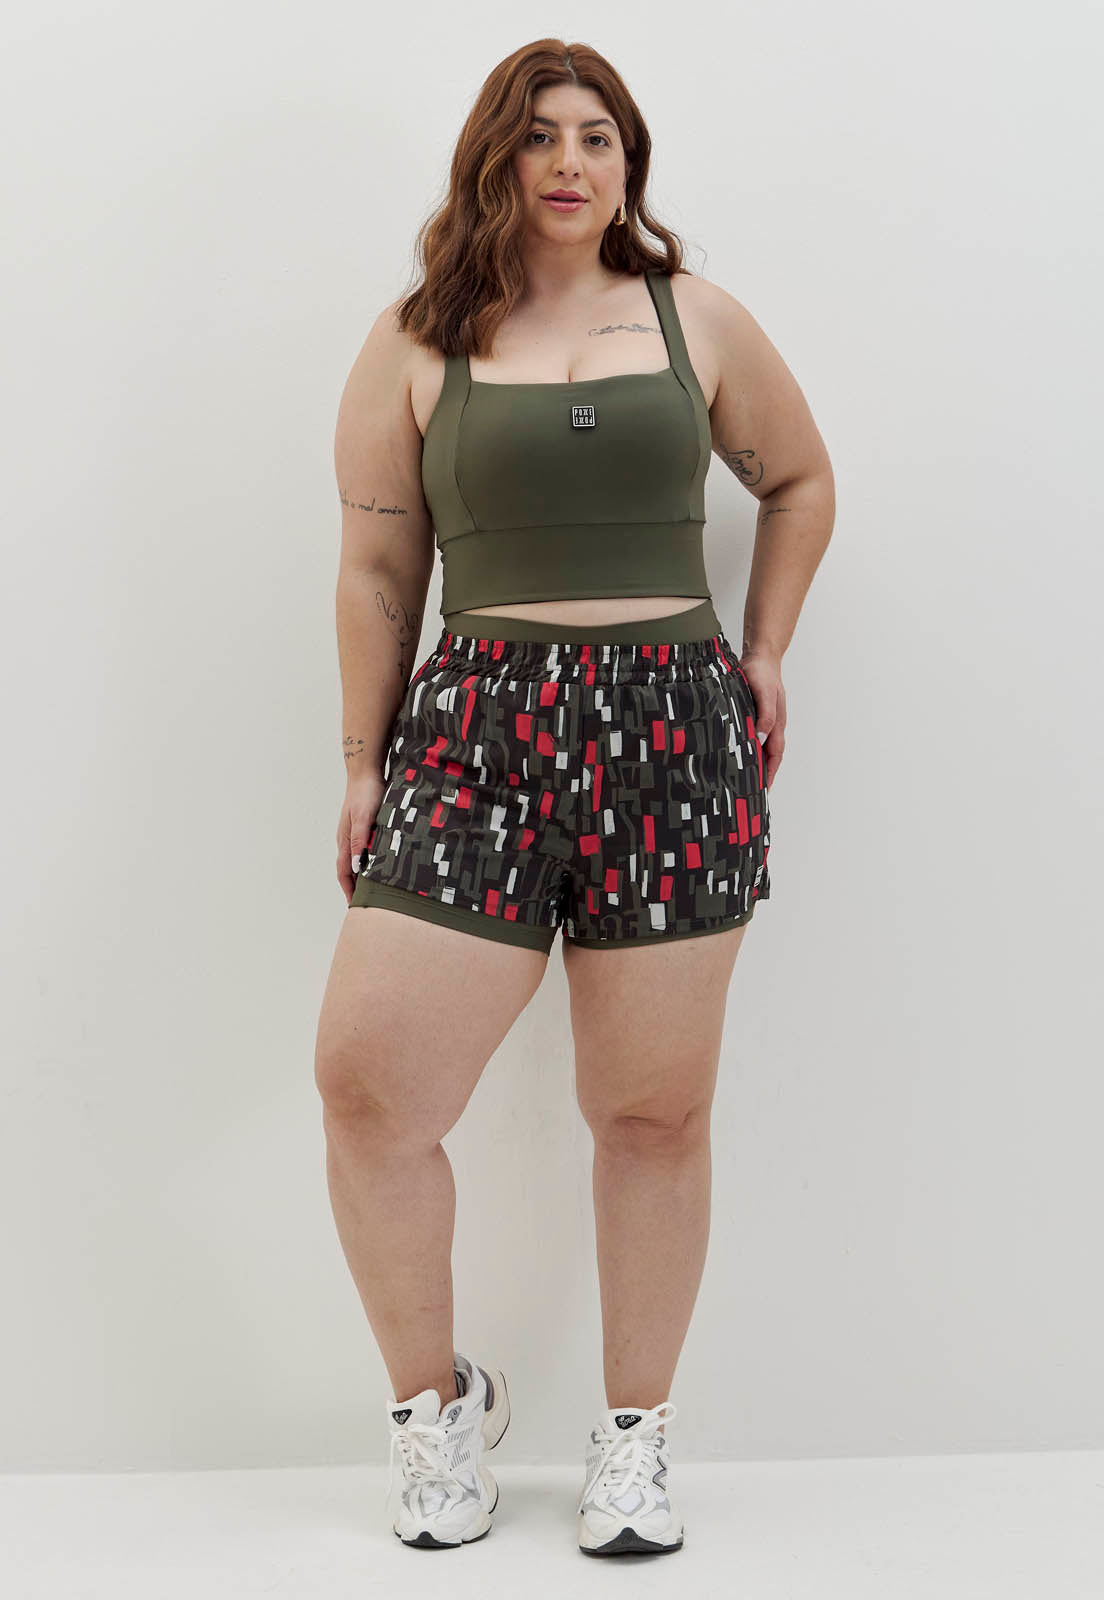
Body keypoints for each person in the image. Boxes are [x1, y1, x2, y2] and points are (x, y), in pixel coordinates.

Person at [314, 37, 835, 1556]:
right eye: (540, 135)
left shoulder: (696, 320)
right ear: (496, 156)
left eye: (598, 136)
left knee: (651, 1113)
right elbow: (376, 565)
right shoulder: (416, 341)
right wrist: (361, 762)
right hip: (473, 734)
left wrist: (765, 652)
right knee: (369, 1089)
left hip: (674, 733)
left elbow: (800, 482)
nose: (569, 162)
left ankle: (635, 1443)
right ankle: (436, 1418)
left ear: (629, 163)